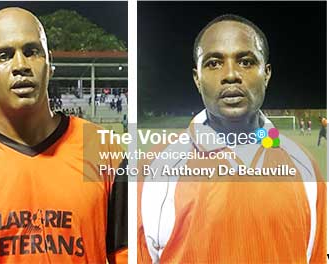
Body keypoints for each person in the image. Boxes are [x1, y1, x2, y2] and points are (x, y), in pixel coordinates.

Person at [0, 7, 127, 263]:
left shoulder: (103, 149)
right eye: (4, 56)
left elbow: (125, 254)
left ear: (49, 63)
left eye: (32, 52)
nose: (20, 65)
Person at [138, 14, 325, 263]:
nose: (230, 75)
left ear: (266, 73)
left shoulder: (304, 166)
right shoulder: (156, 167)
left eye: (246, 62)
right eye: (214, 63)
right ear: (197, 78)